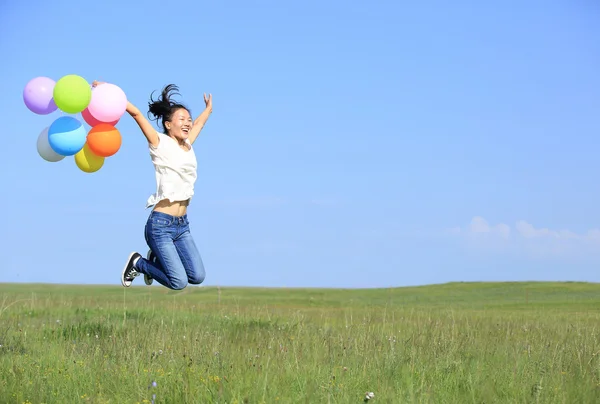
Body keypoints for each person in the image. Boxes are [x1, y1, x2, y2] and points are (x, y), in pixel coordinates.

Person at [92, 81, 213, 289]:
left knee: (197, 276)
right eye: (182, 119)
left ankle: (156, 259)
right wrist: (109, 92)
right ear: (168, 124)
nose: (188, 123)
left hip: (182, 226)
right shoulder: (159, 143)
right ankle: (139, 263)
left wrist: (208, 110)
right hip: (160, 225)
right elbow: (137, 114)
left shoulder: (188, 145)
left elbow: (199, 124)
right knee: (178, 282)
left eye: (189, 119)